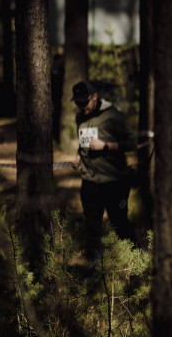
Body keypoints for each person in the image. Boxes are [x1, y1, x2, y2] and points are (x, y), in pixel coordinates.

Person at [69, 80, 137, 262]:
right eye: (78, 102)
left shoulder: (113, 116)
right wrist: (78, 157)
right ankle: (95, 273)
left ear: (95, 97)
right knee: (92, 228)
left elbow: (132, 143)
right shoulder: (80, 118)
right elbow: (83, 144)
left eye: (84, 102)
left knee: (119, 223)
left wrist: (106, 146)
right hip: (90, 182)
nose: (81, 106)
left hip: (115, 181)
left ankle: (134, 264)